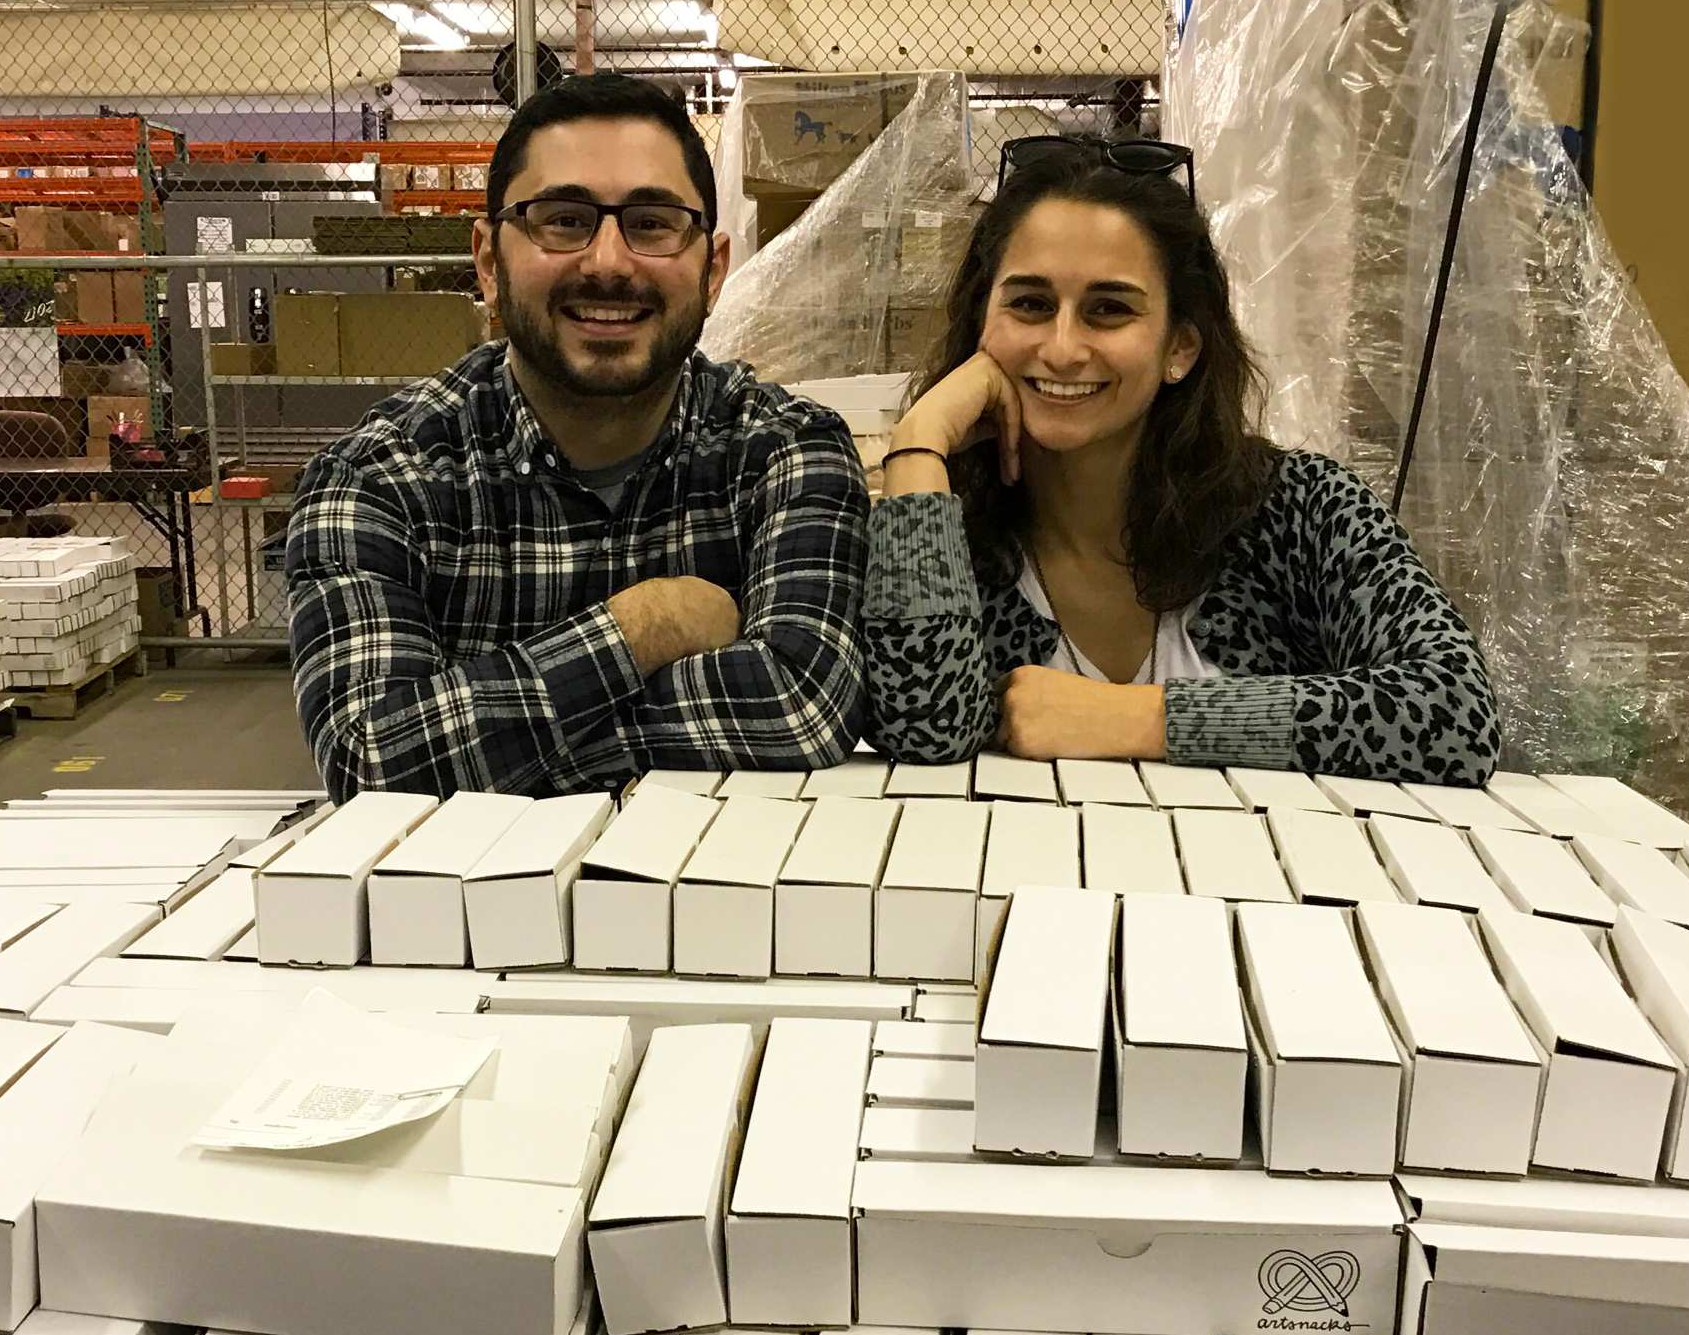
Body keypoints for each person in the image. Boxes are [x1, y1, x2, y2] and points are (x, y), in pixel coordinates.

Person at [286, 71, 870, 798]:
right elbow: (368, 759)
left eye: (652, 224)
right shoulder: (379, 481)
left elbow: (802, 707)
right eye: (563, 220)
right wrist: (645, 624)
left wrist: (483, 747)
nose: (607, 262)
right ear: (489, 263)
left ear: (712, 270)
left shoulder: (784, 450)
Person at [866, 134, 1502, 783]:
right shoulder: (946, 532)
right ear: (982, 322)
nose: (1060, 348)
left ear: (1181, 348)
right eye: (1030, 304)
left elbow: (1455, 715)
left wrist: (1136, 718)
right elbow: (923, 734)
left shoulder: (1302, 508)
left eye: (1108, 310)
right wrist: (919, 441)